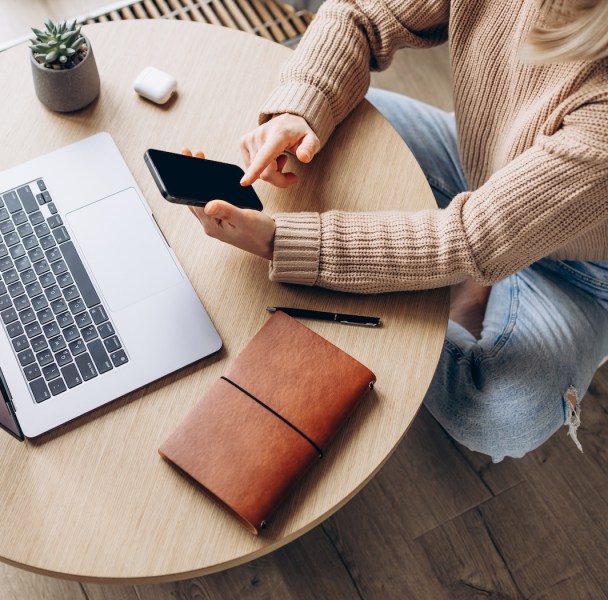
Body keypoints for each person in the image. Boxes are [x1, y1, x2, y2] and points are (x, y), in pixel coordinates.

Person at [187, 0, 608, 462]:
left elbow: (470, 238)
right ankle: (423, 290)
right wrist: (301, 110)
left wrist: (280, 242)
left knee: (502, 415)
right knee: (310, 122)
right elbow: (361, 13)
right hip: (483, 163)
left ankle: (415, 299)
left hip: (575, 271)